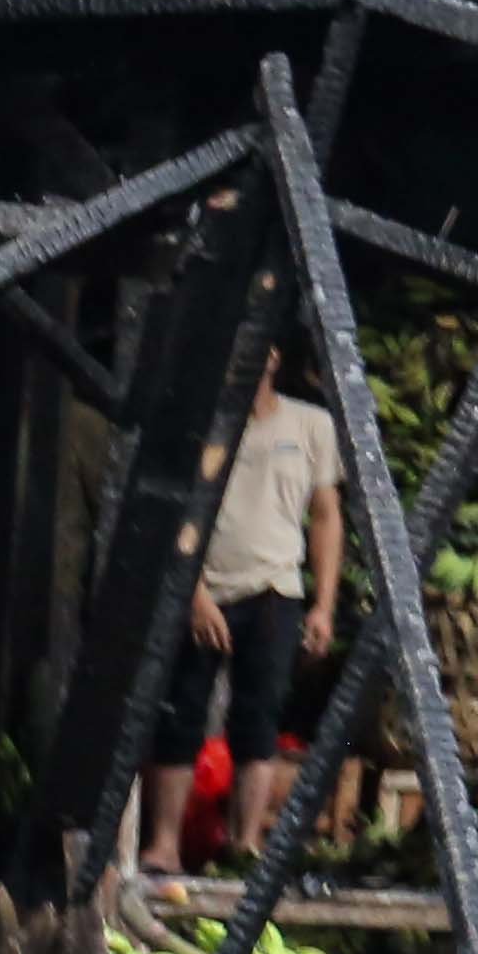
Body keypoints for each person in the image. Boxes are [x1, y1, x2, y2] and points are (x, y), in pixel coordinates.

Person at [161, 340, 343, 879]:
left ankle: (244, 845)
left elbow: (326, 517)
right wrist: (193, 597)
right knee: (180, 713)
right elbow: (175, 517)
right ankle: (164, 846)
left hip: (275, 588)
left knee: (258, 719)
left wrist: (324, 605)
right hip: (206, 590)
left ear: (273, 357)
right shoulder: (203, 428)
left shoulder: (311, 425)